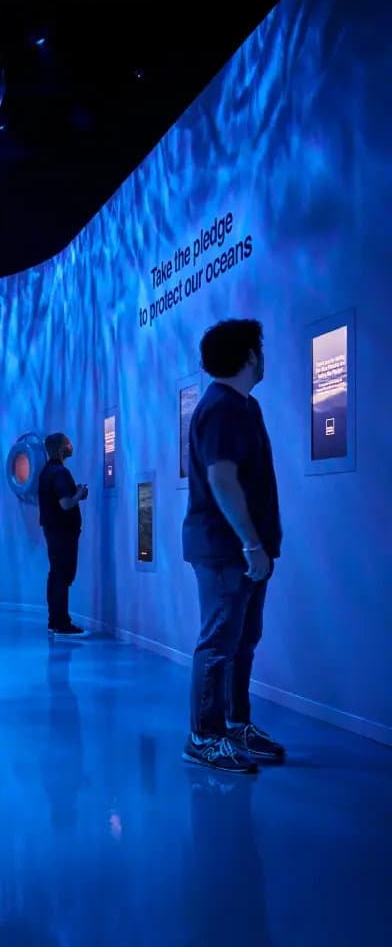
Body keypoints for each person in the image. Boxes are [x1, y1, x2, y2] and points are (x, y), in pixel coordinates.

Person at [182, 319, 285, 774]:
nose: (264, 357)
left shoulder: (246, 406)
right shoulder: (221, 407)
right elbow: (221, 479)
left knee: (243, 639)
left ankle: (235, 723)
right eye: (259, 349)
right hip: (227, 549)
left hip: (244, 548)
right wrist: (250, 544)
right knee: (220, 641)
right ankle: (204, 735)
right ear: (248, 356)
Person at [37, 433, 89, 636]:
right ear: (60, 449)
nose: (71, 445)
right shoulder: (60, 473)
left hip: (52, 531)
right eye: (68, 442)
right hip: (63, 532)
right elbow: (65, 503)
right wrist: (80, 494)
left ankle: (55, 619)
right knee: (63, 575)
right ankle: (61, 622)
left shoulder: (45, 472)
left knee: (56, 574)